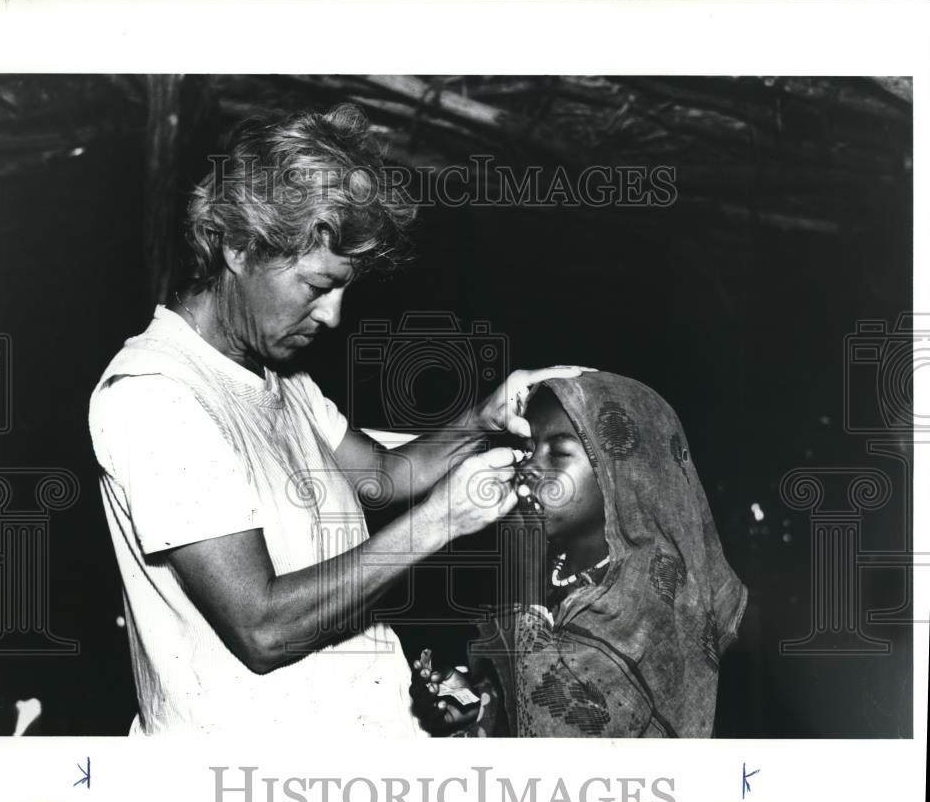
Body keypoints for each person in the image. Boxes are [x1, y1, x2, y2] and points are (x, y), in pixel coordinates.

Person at [88, 103, 585, 736]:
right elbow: (261, 628)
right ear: (239, 246)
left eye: (344, 289)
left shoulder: (280, 378)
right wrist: (439, 523)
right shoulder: (155, 395)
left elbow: (382, 475)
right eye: (317, 286)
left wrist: (483, 419)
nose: (333, 317)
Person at [414, 371, 747, 737]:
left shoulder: (651, 597)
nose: (528, 468)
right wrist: (478, 704)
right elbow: (527, 696)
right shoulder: (554, 568)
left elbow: (561, 750)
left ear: (621, 474)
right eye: (527, 450)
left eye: (558, 453)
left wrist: (522, 583)